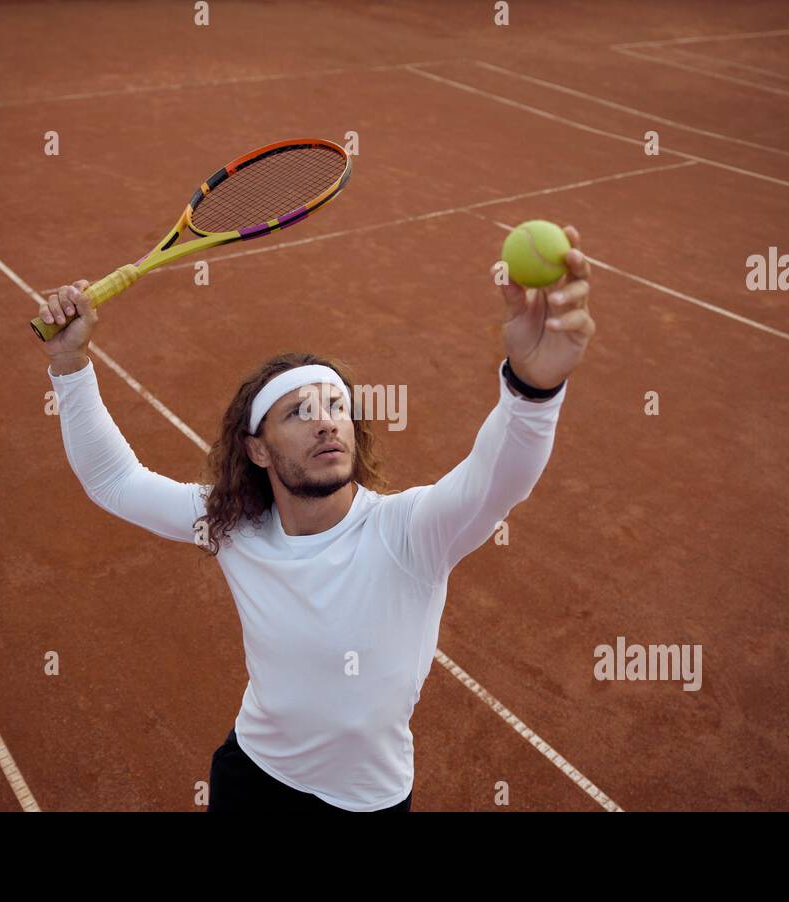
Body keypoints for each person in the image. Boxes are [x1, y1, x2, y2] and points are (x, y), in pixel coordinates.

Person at [37, 225, 595, 812]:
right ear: (257, 448)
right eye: (299, 412)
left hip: (363, 804)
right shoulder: (234, 525)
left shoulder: (409, 532)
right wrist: (69, 362)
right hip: (252, 774)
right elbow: (115, 482)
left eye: (336, 407)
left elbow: (498, 479)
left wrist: (533, 388)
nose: (327, 421)